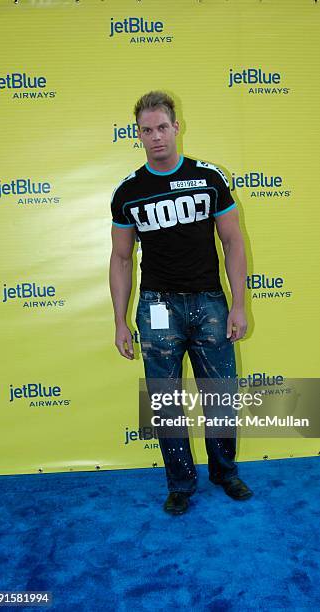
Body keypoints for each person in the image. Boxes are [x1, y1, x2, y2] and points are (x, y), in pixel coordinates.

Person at [109, 90, 253, 515]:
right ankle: (180, 484)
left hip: (210, 303)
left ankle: (225, 473)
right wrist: (119, 321)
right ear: (138, 135)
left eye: (162, 128)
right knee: (166, 403)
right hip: (157, 307)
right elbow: (120, 258)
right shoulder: (128, 192)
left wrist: (239, 304)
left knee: (221, 396)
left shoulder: (208, 178)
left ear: (177, 127)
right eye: (146, 131)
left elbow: (232, 241)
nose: (155, 137)